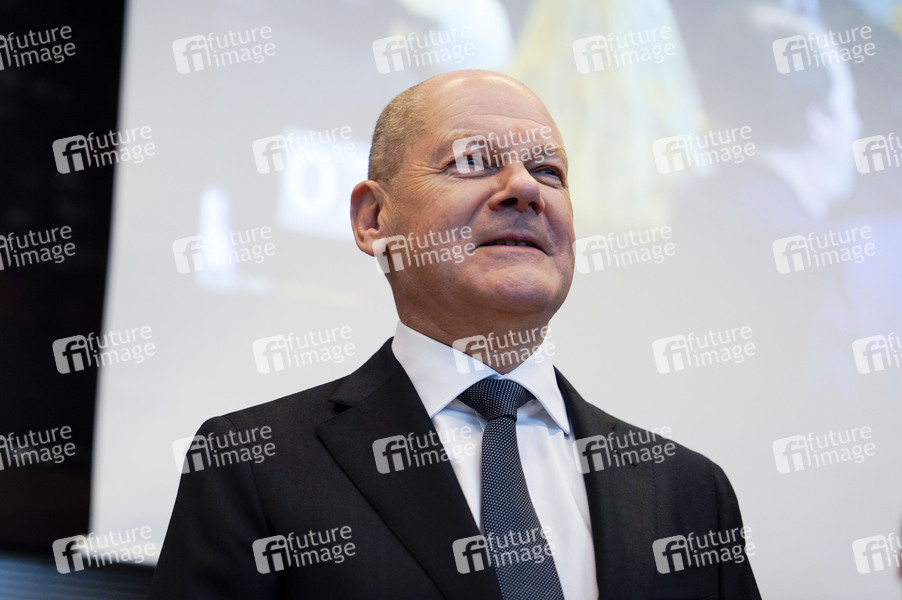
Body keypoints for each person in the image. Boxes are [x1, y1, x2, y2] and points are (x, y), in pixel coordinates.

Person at [149, 70, 760, 599]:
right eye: (472, 161)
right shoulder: (253, 465)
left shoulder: (688, 491)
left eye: (548, 171)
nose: (525, 189)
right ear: (373, 219)